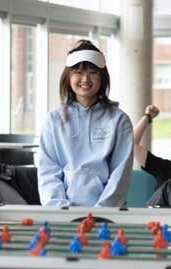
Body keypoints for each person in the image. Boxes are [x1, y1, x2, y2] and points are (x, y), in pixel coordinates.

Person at [38, 40, 133, 207]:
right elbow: (48, 171)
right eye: (78, 72)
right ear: (68, 77)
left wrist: (101, 213)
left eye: (93, 72)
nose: (85, 79)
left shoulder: (119, 120)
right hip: (62, 213)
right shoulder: (53, 120)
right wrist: (60, 210)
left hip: (107, 214)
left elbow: (120, 175)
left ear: (102, 78)